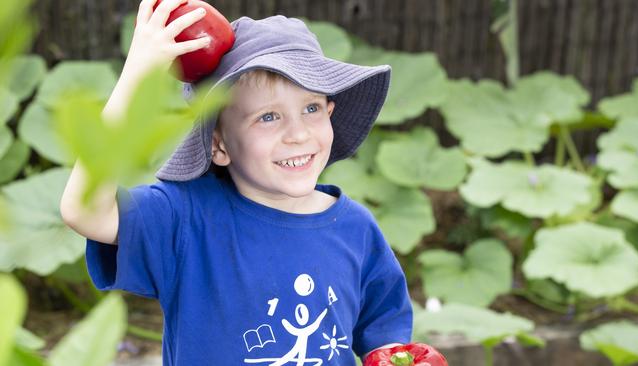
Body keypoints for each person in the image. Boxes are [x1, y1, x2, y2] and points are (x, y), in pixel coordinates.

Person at [59, 0, 413, 364]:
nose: (298, 134)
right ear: (218, 145)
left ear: (330, 112)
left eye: (311, 108)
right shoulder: (185, 219)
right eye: (269, 117)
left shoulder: (356, 230)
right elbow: (83, 209)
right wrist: (137, 77)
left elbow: (386, 342)